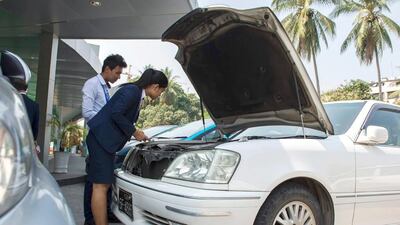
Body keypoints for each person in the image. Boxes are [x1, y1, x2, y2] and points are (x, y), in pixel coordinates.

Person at [86, 69, 168, 225]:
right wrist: (134, 131)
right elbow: (116, 113)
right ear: (156, 86)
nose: (160, 95)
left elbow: (122, 118)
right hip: (101, 141)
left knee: (101, 185)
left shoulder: (136, 93)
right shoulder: (132, 91)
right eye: (162, 91)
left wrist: (137, 133)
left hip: (105, 142)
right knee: (100, 186)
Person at [82, 54, 127, 225]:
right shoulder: (92, 84)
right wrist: (107, 125)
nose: (118, 77)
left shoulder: (106, 88)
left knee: (95, 181)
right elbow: (87, 112)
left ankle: (92, 219)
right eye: (117, 73)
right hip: (98, 136)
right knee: (99, 183)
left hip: (103, 136)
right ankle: (91, 218)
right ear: (107, 69)